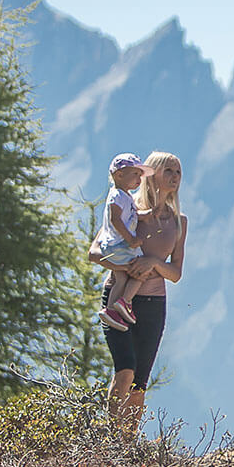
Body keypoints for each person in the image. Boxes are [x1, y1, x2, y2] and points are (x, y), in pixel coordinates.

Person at [88, 150, 188, 437]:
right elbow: (94, 253)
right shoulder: (126, 209)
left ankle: (127, 444)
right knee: (125, 370)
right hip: (116, 300)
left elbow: (176, 273)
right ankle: (111, 441)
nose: (174, 177)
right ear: (150, 173)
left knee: (139, 382)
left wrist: (154, 263)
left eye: (178, 172)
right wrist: (128, 265)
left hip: (154, 305)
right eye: (167, 170)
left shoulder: (180, 222)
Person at [91, 153, 150, 331]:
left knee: (121, 278)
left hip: (114, 246)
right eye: (135, 174)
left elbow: (129, 215)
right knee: (142, 269)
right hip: (118, 245)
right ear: (119, 175)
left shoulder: (125, 196)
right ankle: (125, 301)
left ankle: (110, 311)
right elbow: (116, 219)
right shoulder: (117, 195)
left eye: (140, 176)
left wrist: (144, 215)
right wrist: (130, 239)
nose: (139, 180)